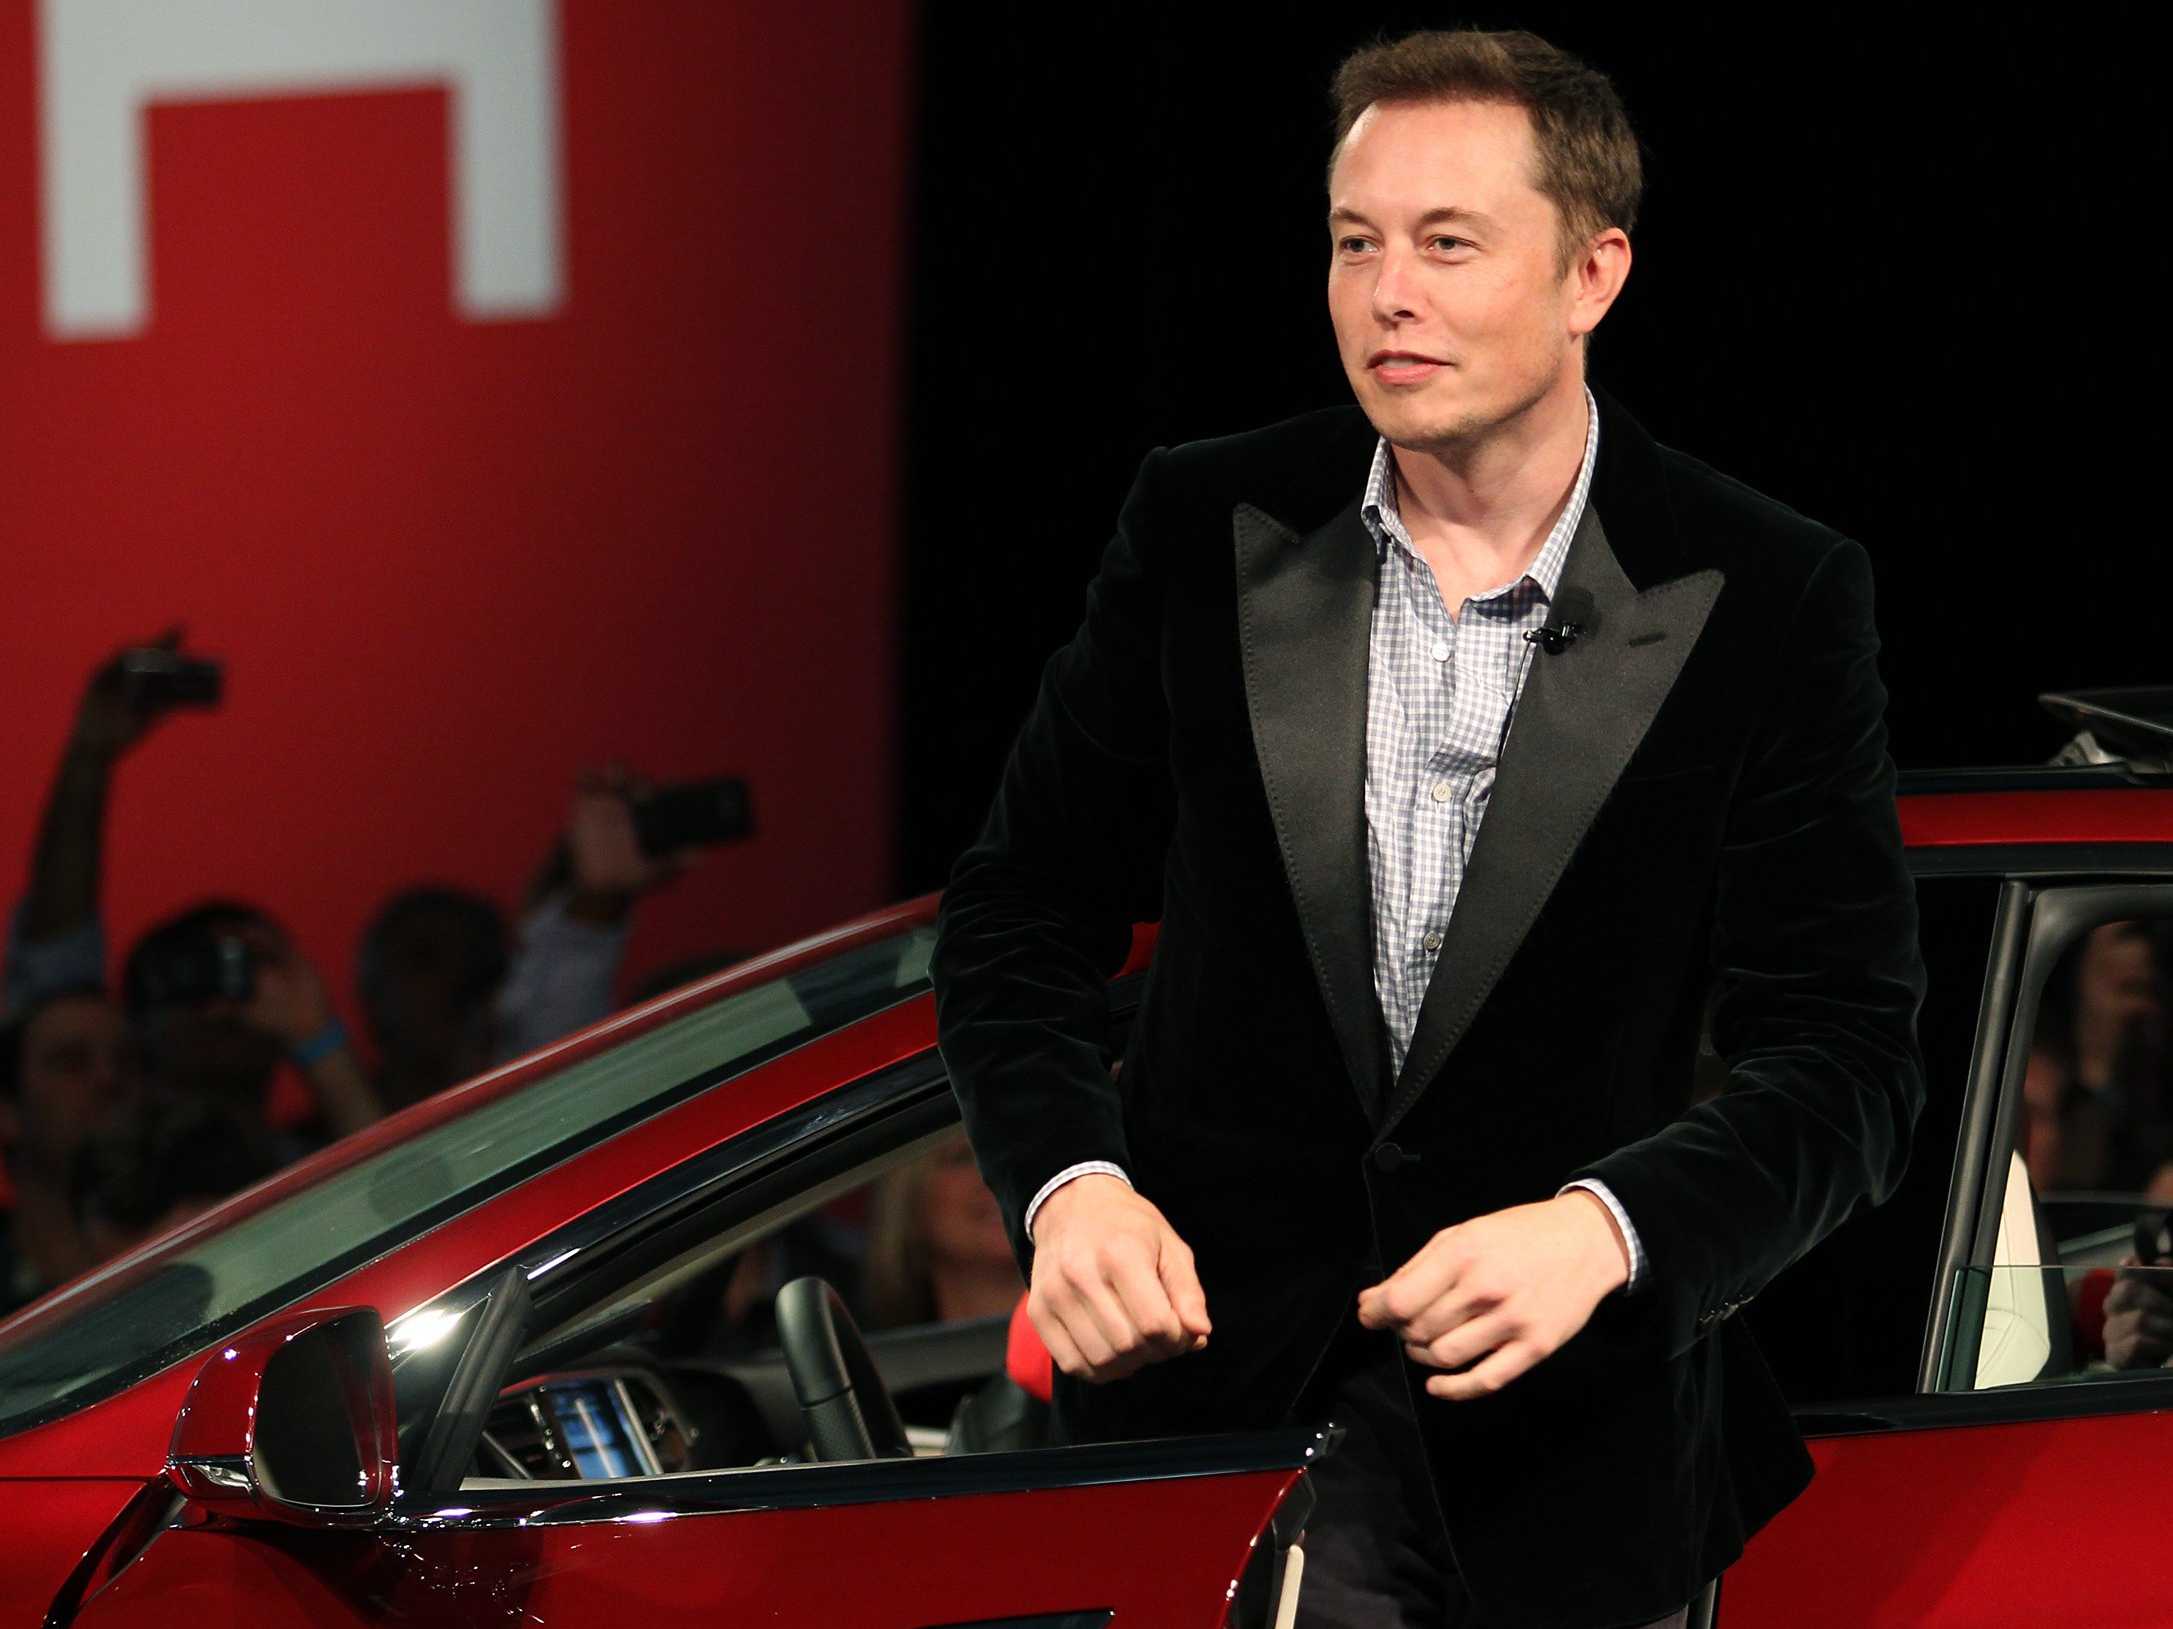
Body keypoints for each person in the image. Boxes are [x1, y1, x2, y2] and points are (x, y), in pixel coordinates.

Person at [932, 28, 1925, 1629]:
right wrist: (1070, 1183)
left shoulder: (1766, 588)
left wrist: (1608, 1230)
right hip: (1219, 1423)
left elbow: (1848, 1058)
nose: (1387, 293)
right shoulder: (1205, 523)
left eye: (1448, 244)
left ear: (1592, 273)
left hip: (1571, 1467)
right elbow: (1015, 916)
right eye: (1355, 242)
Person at [0, 987, 138, 1313]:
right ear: (7, 1110)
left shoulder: (201, 1240)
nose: (108, 1078)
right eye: (71, 1063)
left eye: (126, 1061)